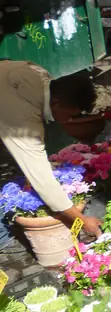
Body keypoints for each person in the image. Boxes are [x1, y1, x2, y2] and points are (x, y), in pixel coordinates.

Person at [0, 61, 103, 238]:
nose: (71, 121)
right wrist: (81, 220)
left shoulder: (41, 76)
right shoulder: (22, 118)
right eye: (71, 115)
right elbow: (39, 174)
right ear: (55, 103)